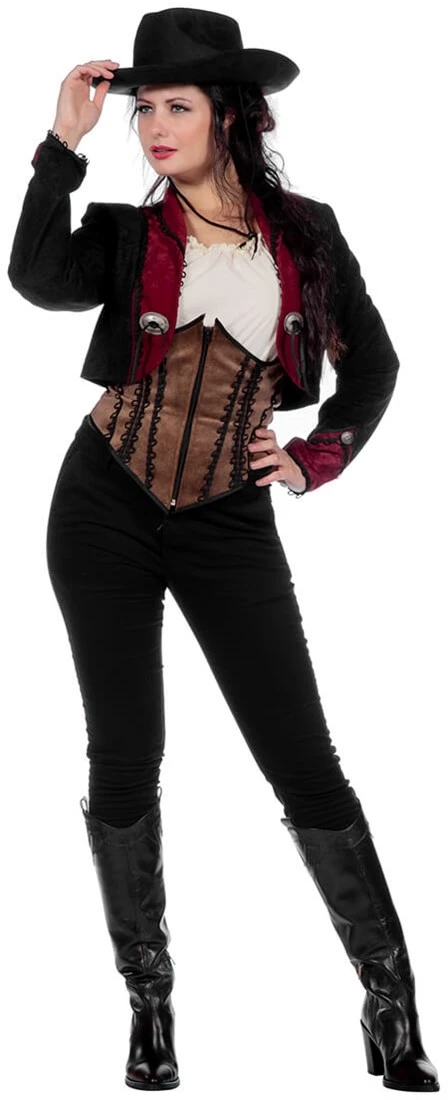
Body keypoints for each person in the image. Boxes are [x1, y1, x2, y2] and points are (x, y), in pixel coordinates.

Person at [7, 8, 439, 1095]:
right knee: (125, 754)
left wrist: (313, 457)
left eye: (177, 105)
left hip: (229, 521)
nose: (153, 125)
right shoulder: (125, 232)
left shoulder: (307, 235)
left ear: (231, 115)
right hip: (101, 504)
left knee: (302, 756)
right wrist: (59, 145)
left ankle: (390, 999)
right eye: (143, 107)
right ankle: (149, 1005)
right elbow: (37, 277)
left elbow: (375, 367)